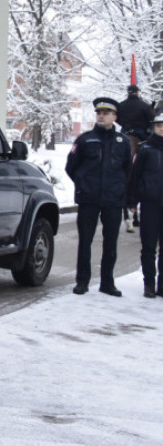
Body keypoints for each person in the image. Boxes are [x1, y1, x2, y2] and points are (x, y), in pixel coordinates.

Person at [65, 96, 131, 297]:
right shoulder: (85, 139)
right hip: (89, 199)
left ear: (114, 117)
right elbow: (71, 167)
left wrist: (120, 190)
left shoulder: (123, 142)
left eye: (106, 113)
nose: (101, 116)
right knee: (85, 240)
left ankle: (107, 283)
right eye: (99, 113)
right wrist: (84, 184)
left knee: (110, 242)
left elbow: (127, 169)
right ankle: (82, 281)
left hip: (113, 200)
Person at [127, 113, 163, 298]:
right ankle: (149, 282)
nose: (162, 128)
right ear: (154, 128)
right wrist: (132, 200)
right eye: (159, 125)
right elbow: (134, 176)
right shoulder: (145, 149)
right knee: (148, 246)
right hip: (150, 204)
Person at [117, 84, 153, 232]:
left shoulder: (121, 105)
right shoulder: (144, 105)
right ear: (138, 93)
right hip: (140, 135)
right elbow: (151, 120)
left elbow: (117, 119)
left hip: (124, 132)